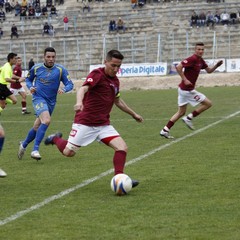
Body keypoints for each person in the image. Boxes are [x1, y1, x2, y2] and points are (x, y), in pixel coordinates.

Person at [44, 50, 143, 187]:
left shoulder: (115, 81)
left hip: (103, 124)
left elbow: (118, 101)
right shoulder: (97, 74)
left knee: (122, 148)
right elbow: (82, 89)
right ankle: (55, 138)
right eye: (113, 65)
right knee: (68, 152)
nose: (115, 69)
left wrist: (133, 114)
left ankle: (119, 178)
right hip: (85, 122)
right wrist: (79, 102)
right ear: (105, 62)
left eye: (118, 66)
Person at [18, 47, 74, 160]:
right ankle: (35, 150)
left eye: (53, 57)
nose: (51, 59)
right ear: (44, 57)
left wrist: (64, 89)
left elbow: (70, 84)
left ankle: (23, 145)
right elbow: (28, 79)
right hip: (38, 98)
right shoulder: (36, 68)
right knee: (47, 120)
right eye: (48, 57)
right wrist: (31, 87)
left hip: (51, 102)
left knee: (37, 126)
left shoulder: (60, 70)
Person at [160, 42, 223, 139]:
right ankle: (189, 118)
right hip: (187, 91)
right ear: (195, 50)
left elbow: (209, 71)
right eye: (199, 49)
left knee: (180, 112)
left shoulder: (200, 60)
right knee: (208, 103)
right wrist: (185, 79)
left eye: (202, 49)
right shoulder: (192, 59)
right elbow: (178, 67)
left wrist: (217, 66)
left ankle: (165, 130)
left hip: (183, 90)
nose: (201, 51)